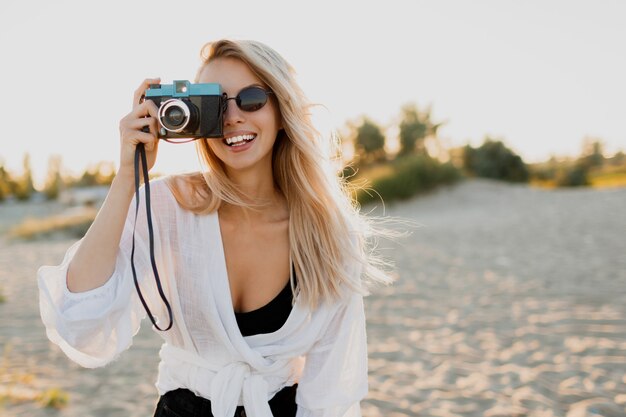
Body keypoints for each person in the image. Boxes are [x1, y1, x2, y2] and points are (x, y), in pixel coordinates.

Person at [37, 39, 393, 417]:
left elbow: (331, 391)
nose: (233, 117)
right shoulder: (168, 206)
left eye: (252, 99)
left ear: (282, 108)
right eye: (215, 102)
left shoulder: (327, 233)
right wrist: (128, 175)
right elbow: (79, 321)